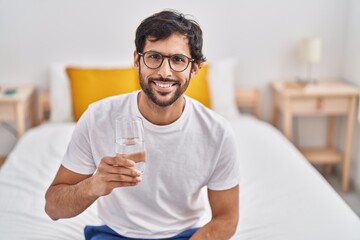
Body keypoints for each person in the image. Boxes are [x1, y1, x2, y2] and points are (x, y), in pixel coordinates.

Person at [45, 9, 240, 240]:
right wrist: (94, 185)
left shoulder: (217, 132)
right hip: (114, 234)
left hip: (186, 236)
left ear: (195, 68)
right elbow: (53, 207)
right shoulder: (98, 117)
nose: (164, 72)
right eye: (154, 57)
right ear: (137, 61)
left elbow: (226, 218)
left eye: (178, 60)